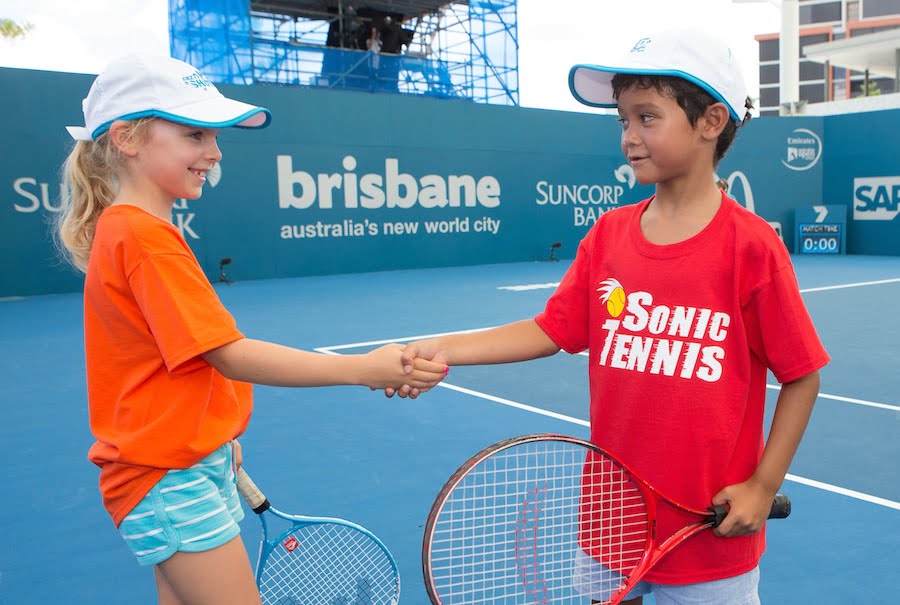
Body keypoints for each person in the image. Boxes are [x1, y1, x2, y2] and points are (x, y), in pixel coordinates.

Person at [390, 29, 828, 605]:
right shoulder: (608, 236)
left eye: (647, 118)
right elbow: (551, 329)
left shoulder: (750, 247)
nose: (629, 137)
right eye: (622, 120)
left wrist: (762, 486)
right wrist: (444, 347)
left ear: (711, 121)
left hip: (710, 540)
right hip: (607, 527)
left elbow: (802, 374)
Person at [56, 54, 448, 605]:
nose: (214, 153)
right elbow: (227, 354)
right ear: (126, 137)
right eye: (194, 134)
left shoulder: (131, 231)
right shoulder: (142, 237)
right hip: (167, 477)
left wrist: (217, 437)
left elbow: (171, 363)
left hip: (181, 465)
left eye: (214, 136)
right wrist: (362, 368)